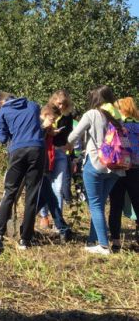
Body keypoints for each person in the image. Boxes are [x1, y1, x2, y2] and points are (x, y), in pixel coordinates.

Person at [68, 85, 126, 255]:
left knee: (95, 204)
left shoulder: (92, 114)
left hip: (96, 163)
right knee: (98, 204)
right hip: (116, 167)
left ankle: (103, 245)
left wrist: (65, 145)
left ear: (95, 99)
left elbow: (73, 136)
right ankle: (92, 241)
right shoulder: (117, 116)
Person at [0, 92, 45, 249]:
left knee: (10, 191)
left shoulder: (2, 112)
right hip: (37, 149)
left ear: (2, 102)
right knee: (32, 194)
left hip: (17, 151)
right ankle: (25, 239)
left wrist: (7, 134)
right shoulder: (33, 106)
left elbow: (2, 138)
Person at [37, 103, 73, 242]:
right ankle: (62, 228)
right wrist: (44, 129)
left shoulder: (45, 125)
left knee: (46, 196)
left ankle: (62, 228)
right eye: (52, 119)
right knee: (47, 196)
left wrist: (50, 131)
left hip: (46, 162)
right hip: (39, 163)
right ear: (46, 115)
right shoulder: (37, 124)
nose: (53, 122)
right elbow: (35, 140)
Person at [108, 97, 139, 250]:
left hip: (119, 167)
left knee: (116, 205)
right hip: (136, 169)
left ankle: (115, 241)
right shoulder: (138, 125)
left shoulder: (115, 125)